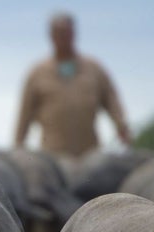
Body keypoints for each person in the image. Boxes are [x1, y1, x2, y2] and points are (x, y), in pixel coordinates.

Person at [14, 12, 131, 158]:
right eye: (59, 33)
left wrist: (122, 128)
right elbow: (24, 116)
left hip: (90, 154)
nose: (63, 38)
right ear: (51, 36)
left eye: (67, 32)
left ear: (74, 34)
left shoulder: (94, 69)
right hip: (53, 156)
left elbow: (113, 103)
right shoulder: (37, 74)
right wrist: (18, 147)